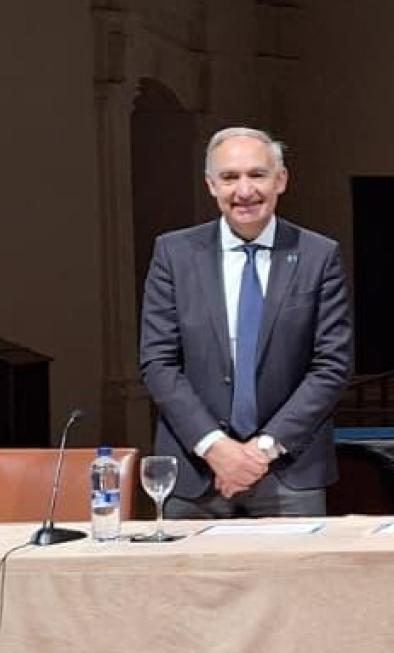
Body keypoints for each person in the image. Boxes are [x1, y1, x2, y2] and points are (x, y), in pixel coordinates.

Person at [140, 126, 354, 519]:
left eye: (257, 175)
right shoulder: (174, 254)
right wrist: (215, 447)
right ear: (211, 185)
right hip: (196, 471)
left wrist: (262, 450)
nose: (244, 190)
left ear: (281, 180)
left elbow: (332, 365)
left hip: (289, 471)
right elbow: (158, 362)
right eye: (229, 177)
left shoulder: (318, 255)